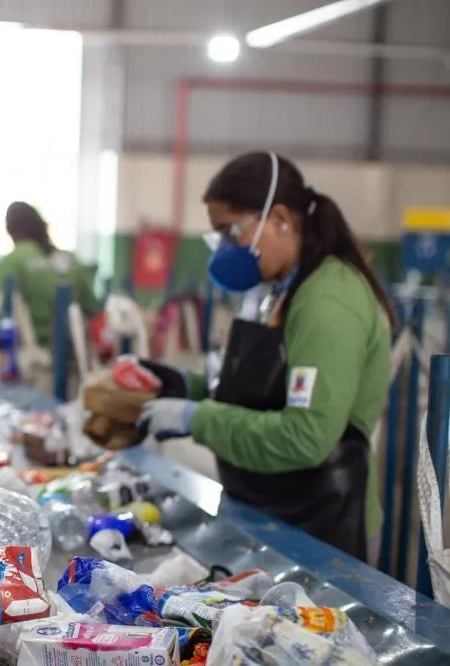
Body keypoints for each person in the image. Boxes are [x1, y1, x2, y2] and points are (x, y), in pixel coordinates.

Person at [137, 151, 392, 563]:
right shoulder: (282, 287)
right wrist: (181, 386)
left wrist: (196, 419)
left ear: (280, 219)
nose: (224, 248)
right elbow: (263, 388)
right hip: (272, 511)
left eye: (231, 231)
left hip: (322, 529)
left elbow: (307, 436)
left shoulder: (327, 299)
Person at [0, 201, 100, 348]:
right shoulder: (70, 260)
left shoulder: (11, 262)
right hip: (74, 356)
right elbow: (93, 309)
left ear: (9, 229)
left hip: (31, 360)